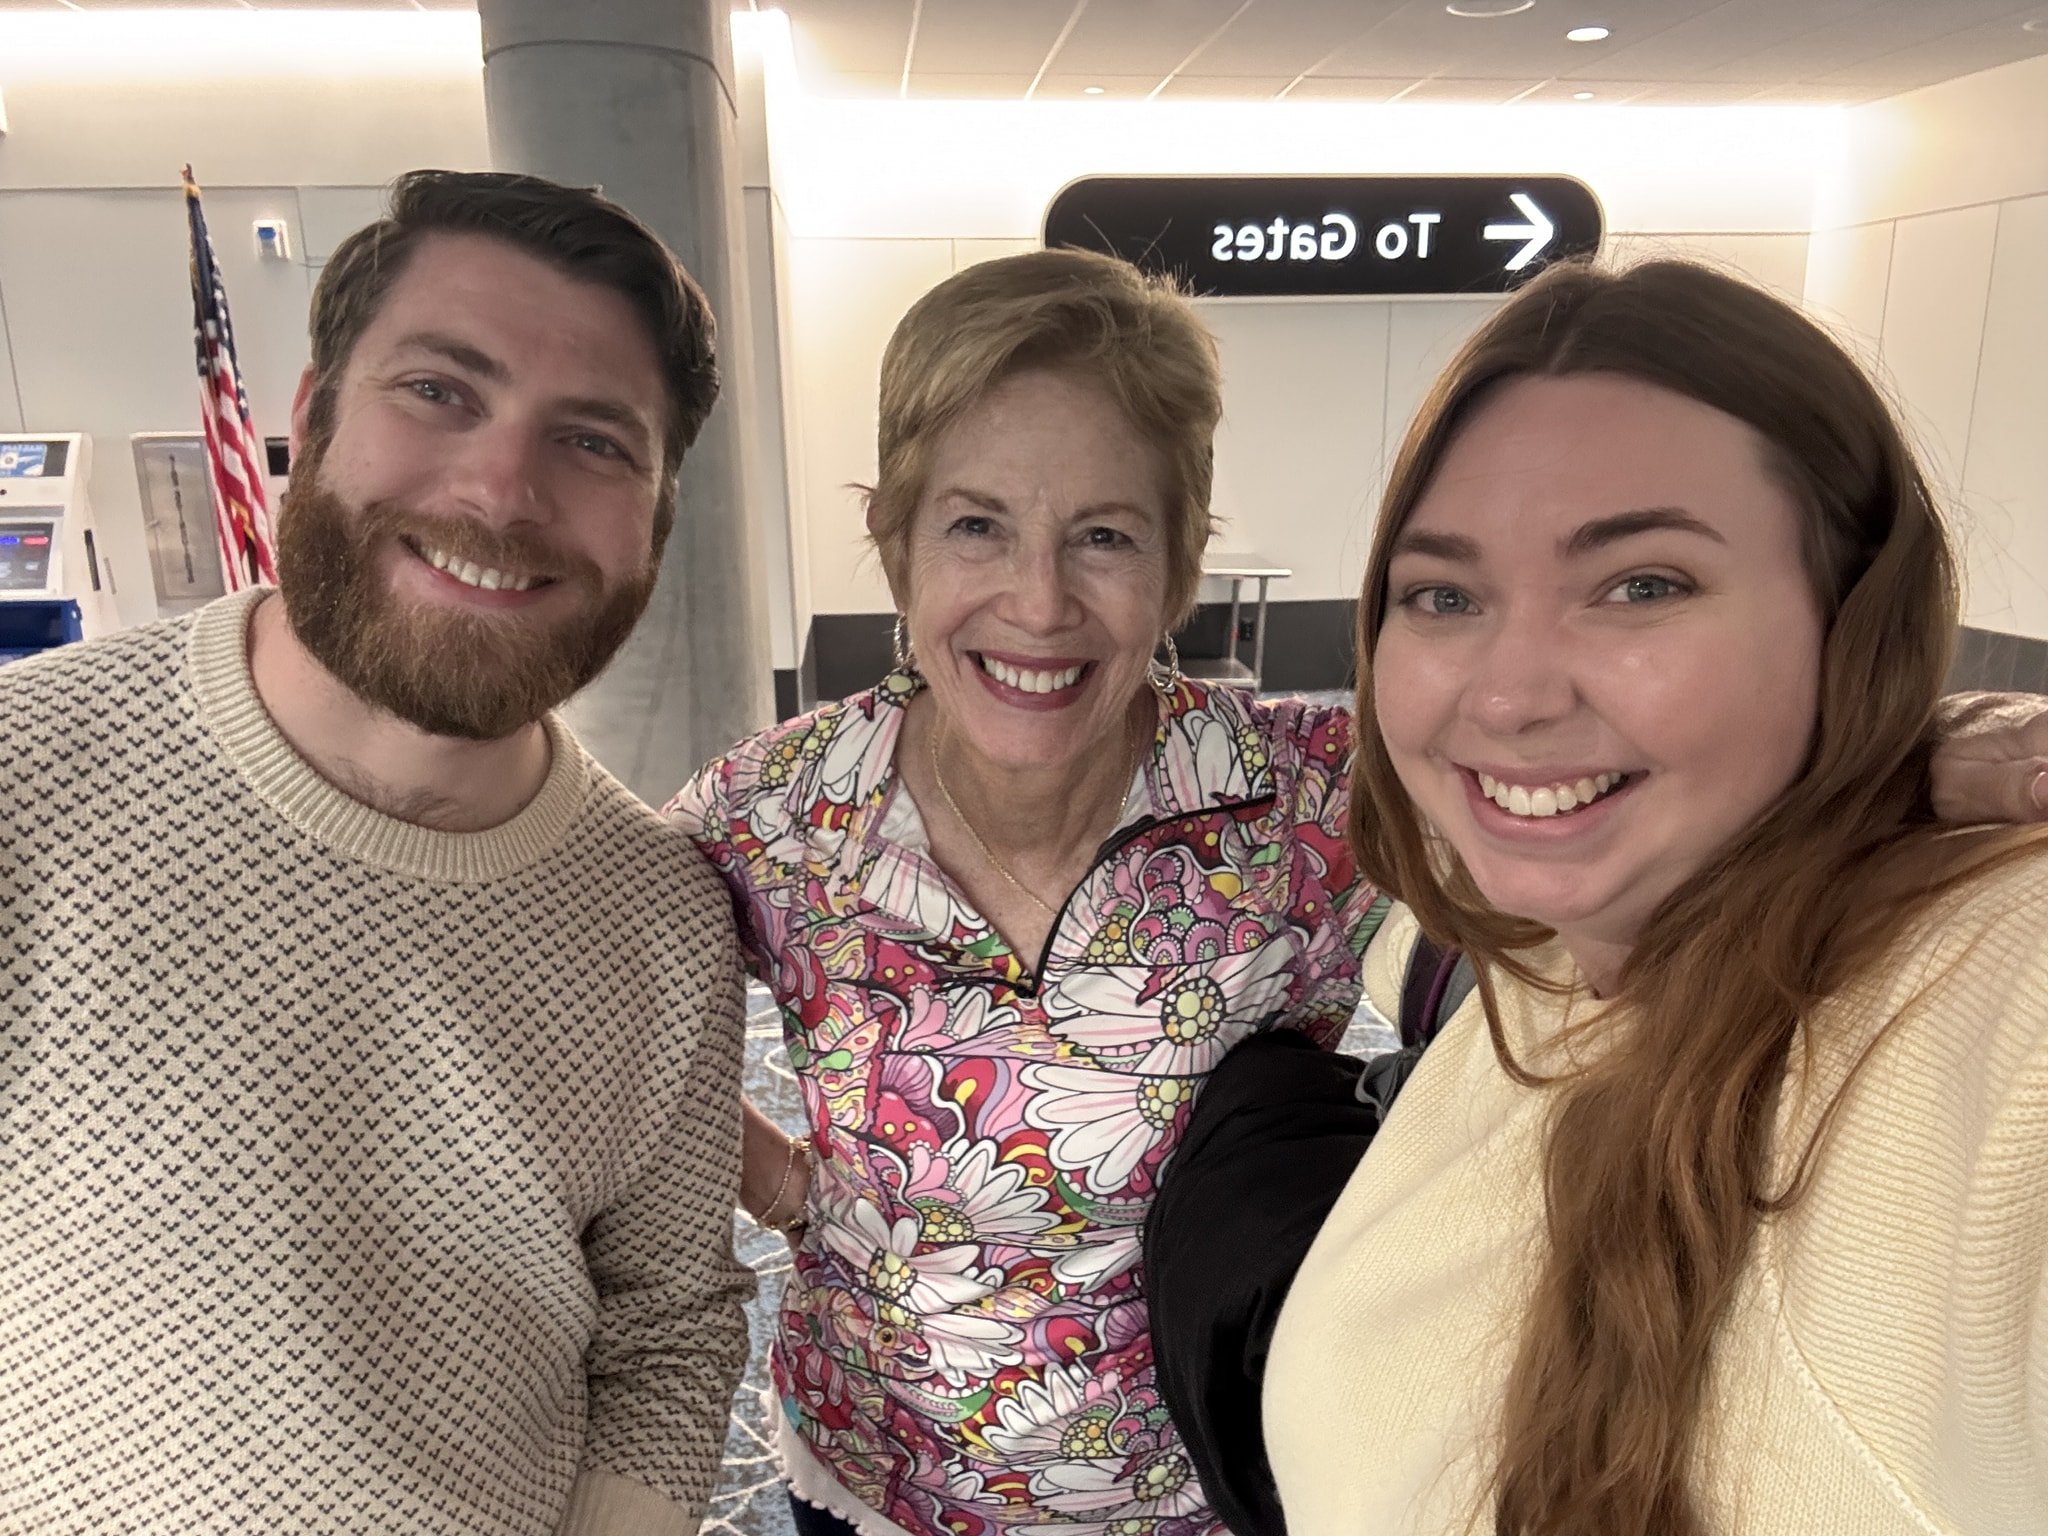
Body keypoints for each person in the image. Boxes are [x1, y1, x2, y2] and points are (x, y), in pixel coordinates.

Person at [1, 170, 753, 1536]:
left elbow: (667, 1336)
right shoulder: (24, 782)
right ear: (307, 421)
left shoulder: (660, 919)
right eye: (440, 392)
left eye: (594, 441)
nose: (501, 491)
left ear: (655, 521)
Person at [1260, 259, 2048, 1535]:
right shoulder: (1531, 946)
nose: (1508, 696)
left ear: (1851, 617)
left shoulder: (1998, 1002)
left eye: (1641, 585)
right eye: (1443, 595)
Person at [669, 249, 1379, 1536]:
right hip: (875, 1488)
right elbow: (579, 996)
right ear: (896, 543)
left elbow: (1572, 932)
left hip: (1201, 1496)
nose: (1038, 601)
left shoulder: (1298, 803)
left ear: (1177, 565)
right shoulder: (780, 814)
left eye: (1103, 535)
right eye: (976, 524)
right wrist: (788, 1188)